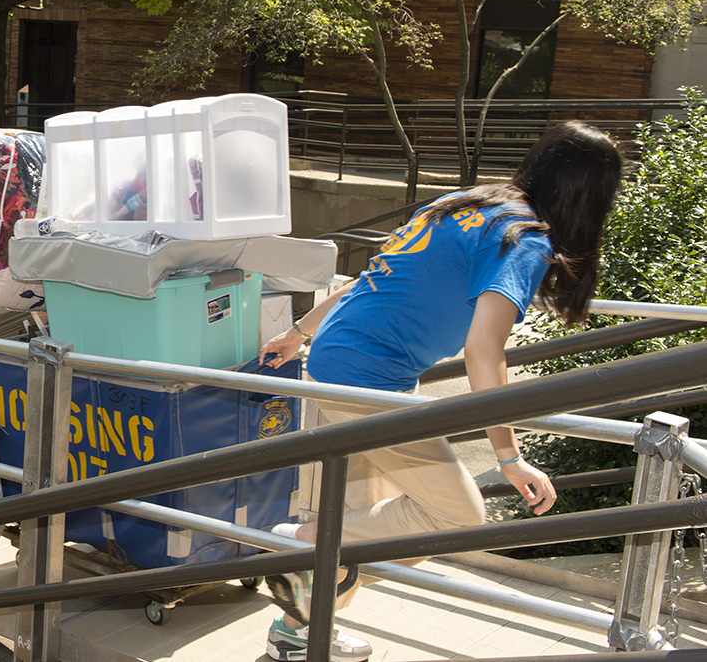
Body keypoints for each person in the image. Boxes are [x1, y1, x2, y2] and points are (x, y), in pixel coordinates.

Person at [255, 121, 624, 662]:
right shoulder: (525, 239)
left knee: (365, 518)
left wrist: (300, 331)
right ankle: (299, 542)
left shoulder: (466, 201)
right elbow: (484, 350)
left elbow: (375, 276)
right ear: (590, 195)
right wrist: (510, 457)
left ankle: (296, 631)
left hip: (346, 359)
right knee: (454, 516)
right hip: (366, 378)